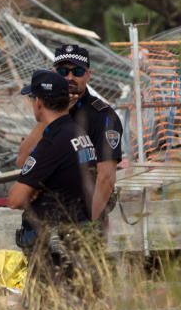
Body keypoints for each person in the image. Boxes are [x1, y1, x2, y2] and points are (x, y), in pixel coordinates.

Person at [8, 69, 98, 303]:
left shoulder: (53, 142)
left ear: (38, 103)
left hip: (54, 247)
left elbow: (15, 199)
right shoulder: (78, 132)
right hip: (76, 238)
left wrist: (33, 191)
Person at [16, 44, 123, 227]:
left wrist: (90, 226)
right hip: (44, 219)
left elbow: (106, 178)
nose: (70, 78)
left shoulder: (103, 116)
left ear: (88, 74)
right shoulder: (45, 111)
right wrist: (54, 114)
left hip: (82, 219)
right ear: (54, 73)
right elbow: (22, 160)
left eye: (77, 71)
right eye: (63, 71)